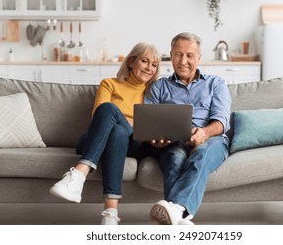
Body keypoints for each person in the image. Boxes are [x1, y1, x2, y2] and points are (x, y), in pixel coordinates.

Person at [49, 42, 160, 225]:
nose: (149, 68)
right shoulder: (109, 83)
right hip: (99, 137)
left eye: (154, 65)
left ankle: (78, 175)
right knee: (115, 125)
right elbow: (99, 115)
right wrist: (130, 121)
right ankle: (110, 214)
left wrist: (128, 122)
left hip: (134, 143)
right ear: (131, 62)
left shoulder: (153, 93)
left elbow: (149, 125)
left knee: (115, 120)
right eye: (145, 61)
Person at [144, 32, 232, 225]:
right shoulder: (159, 87)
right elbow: (148, 123)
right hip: (174, 142)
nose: (183, 61)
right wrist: (154, 139)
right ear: (171, 55)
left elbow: (222, 121)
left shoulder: (215, 83)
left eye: (190, 55)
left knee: (200, 155)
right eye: (178, 54)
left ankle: (176, 209)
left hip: (211, 140)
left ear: (199, 58)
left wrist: (204, 132)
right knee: (174, 160)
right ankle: (182, 218)